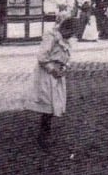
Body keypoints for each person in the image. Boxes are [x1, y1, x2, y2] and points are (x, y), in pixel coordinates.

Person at [28, 17, 75, 150]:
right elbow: (42, 57)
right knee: (48, 107)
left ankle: (45, 135)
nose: (71, 36)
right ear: (65, 28)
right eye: (70, 32)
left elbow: (67, 57)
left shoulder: (65, 40)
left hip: (57, 75)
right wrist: (52, 69)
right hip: (47, 75)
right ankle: (43, 138)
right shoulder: (51, 37)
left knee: (52, 107)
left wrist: (64, 67)